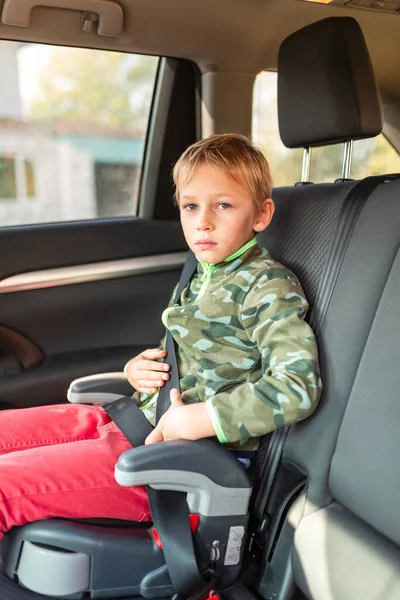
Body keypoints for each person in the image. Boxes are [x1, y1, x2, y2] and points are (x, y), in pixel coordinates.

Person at [0, 134, 321, 537]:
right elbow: (185, 351)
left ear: (260, 215)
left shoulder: (267, 285)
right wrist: (141, 368)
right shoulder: (205, 273)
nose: (203, 220)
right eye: (191, 206)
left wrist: (200, 418)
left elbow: (297, 387)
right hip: (133, 421)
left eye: (223, 205)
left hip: (179, 463)